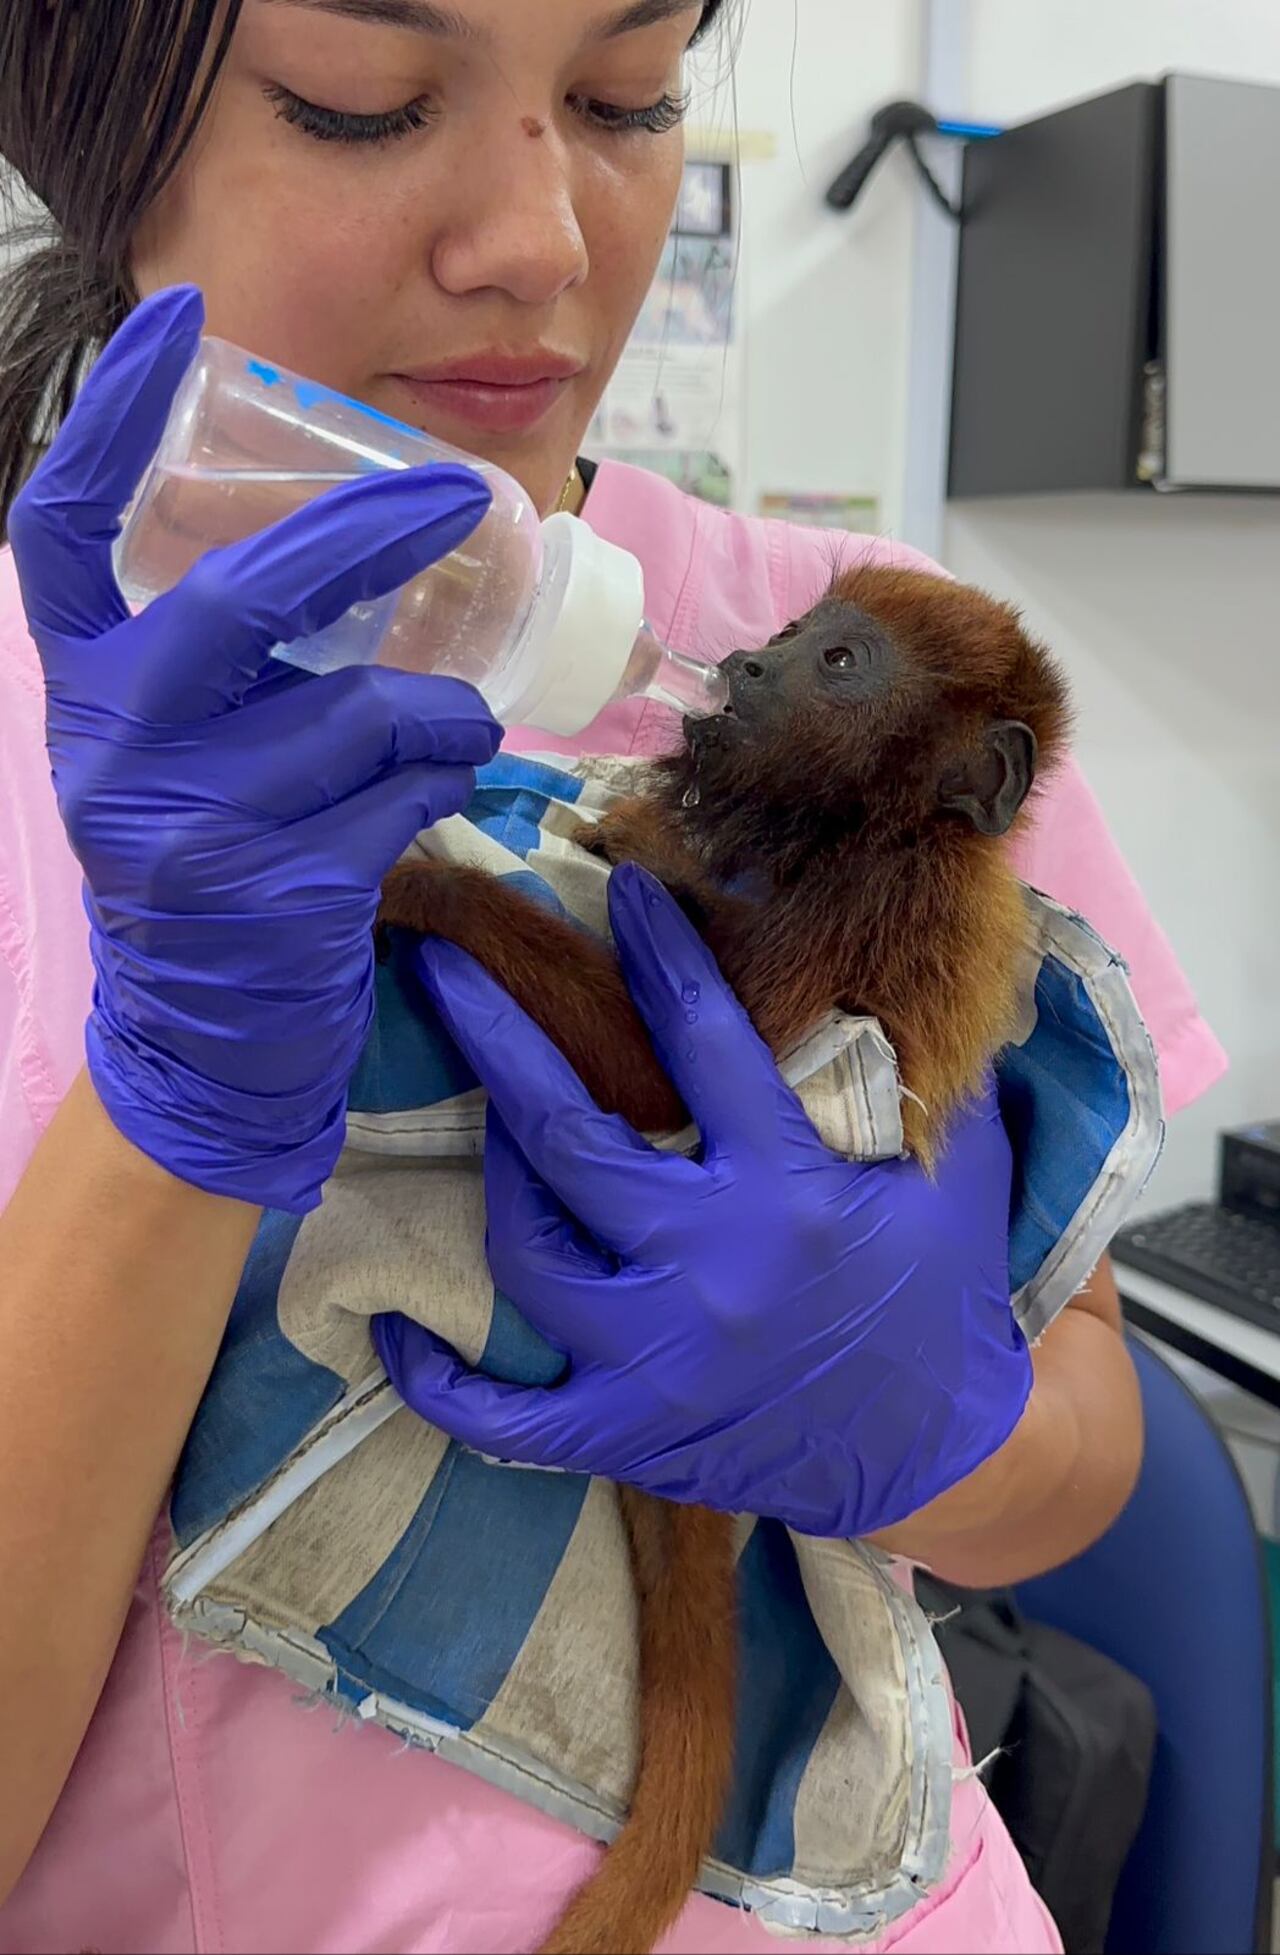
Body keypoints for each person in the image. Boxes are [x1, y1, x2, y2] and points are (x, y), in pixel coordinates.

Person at [0, 3, 1225, 1951]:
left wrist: (944, 1425)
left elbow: (1098, 1471)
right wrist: (168, 1113)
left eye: (625, 97)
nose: (546, 241)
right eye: (362, 99)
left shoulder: (875, 679)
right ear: (90, 137)